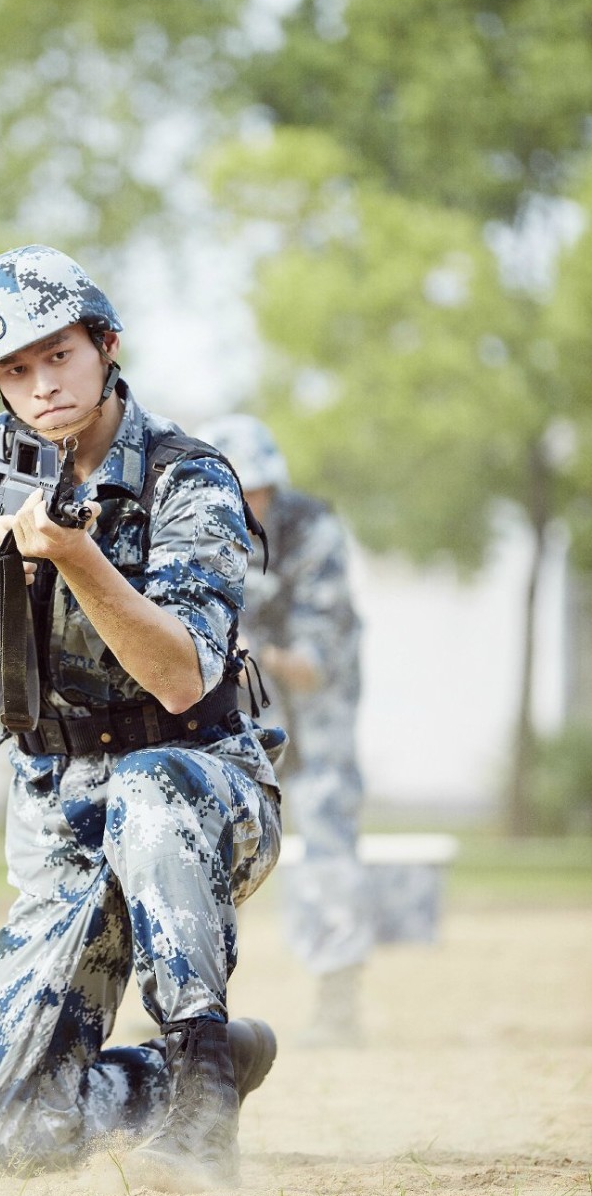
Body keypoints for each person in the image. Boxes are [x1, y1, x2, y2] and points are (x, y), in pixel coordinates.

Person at [0, 246, 283, 1189]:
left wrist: (73, 555)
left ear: (106, 345)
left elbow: (183, 679)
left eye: (57, 355)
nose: (40, 385)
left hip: (202, 792)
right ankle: (163, 1080)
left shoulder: (192, 478)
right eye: (14, 371)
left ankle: (203, 1083)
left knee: (150, 786)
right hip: (61, 820)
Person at [196, 414, 371, 1047]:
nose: (251, 503)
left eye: (259, 489)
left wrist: (250, 653)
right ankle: (191, 1010)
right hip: (243, 707)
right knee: (208, 843)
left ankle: (338, 1001)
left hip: (314, 710)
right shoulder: (203, 531)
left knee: (326, 839)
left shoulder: (313, 533)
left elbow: (315, 667)